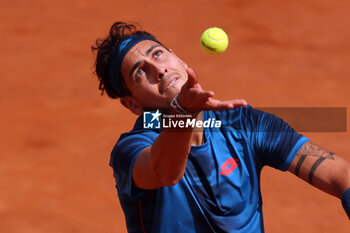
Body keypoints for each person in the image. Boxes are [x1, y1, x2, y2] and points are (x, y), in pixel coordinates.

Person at [91, 22, 350, 232]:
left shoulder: (246, 125)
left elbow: (338, 172)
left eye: (157, 54)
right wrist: (184, 111)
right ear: (133, 105)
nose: (158, 69)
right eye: (139, 72)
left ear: (177, 57)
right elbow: (164, 172)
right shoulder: (131, 149)